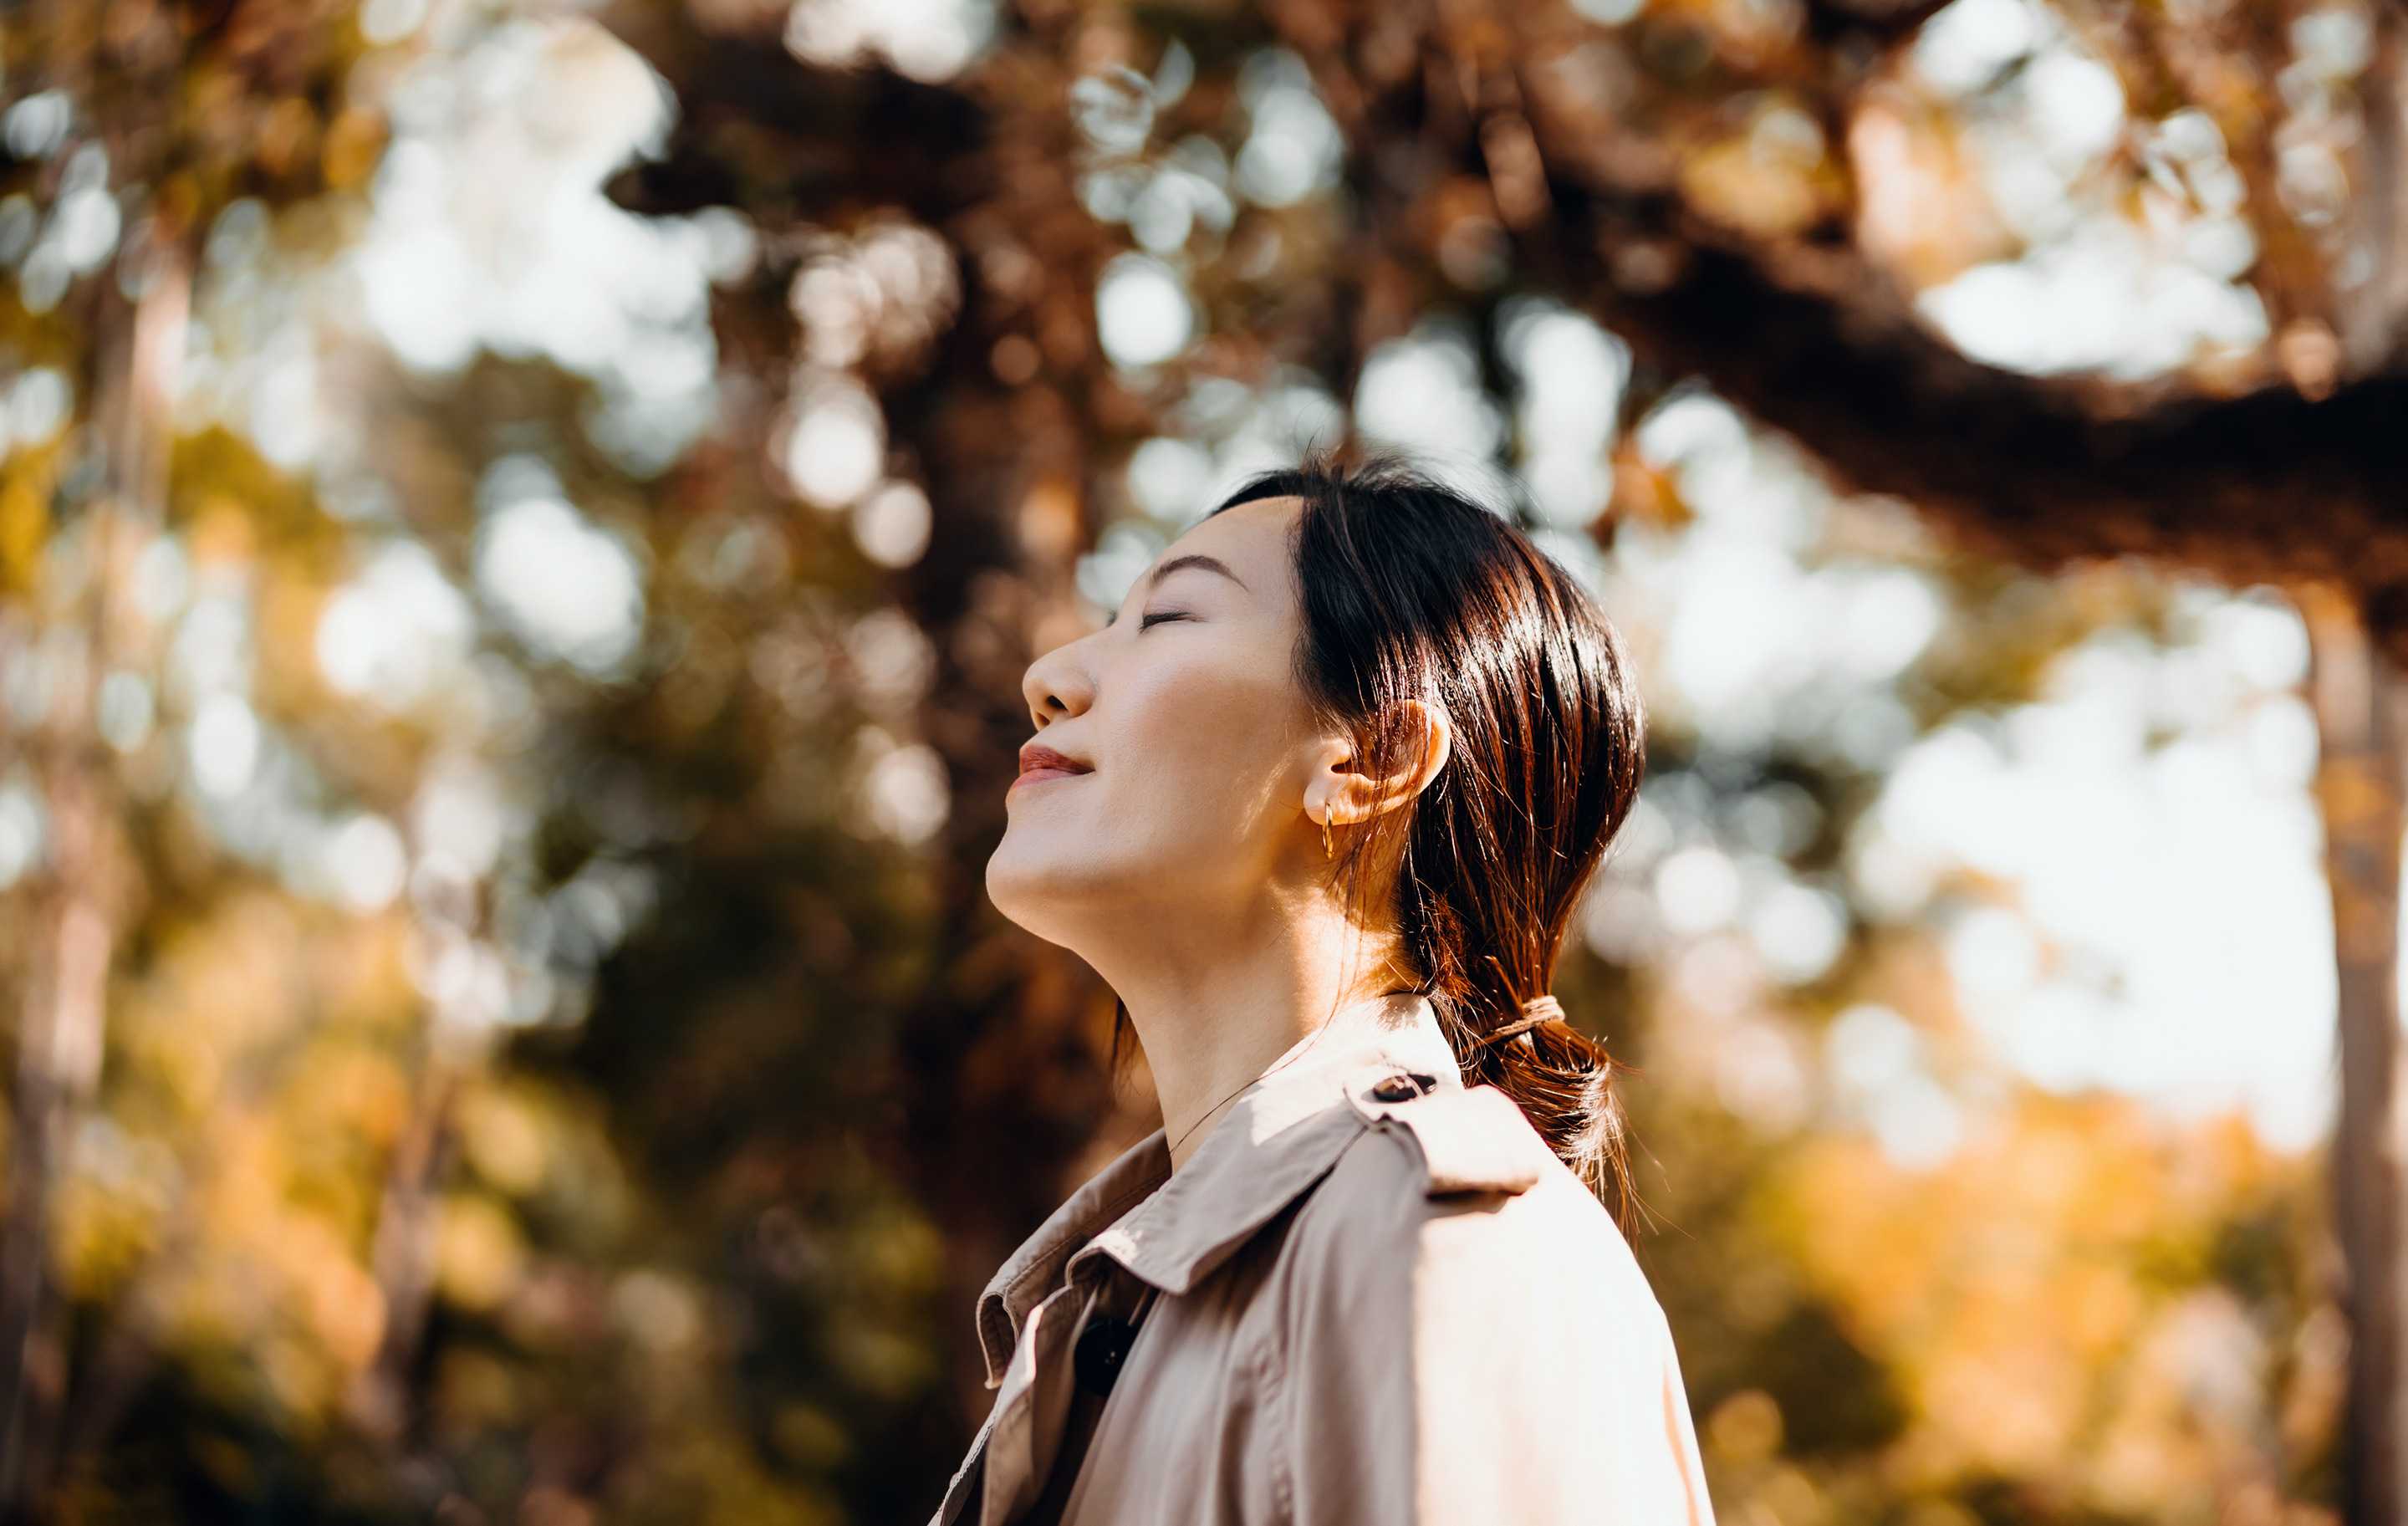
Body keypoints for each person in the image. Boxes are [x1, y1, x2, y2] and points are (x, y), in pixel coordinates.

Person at [932, 461, 1715, 1525]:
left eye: (1165, 618)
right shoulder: (1127, 1309)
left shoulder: (1447, 1246)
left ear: (1373, 759)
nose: (1053, 672)